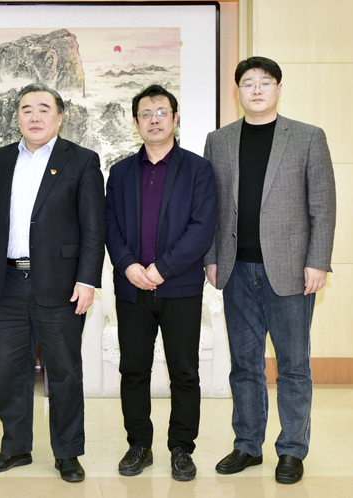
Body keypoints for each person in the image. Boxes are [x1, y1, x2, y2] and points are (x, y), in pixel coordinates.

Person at [203, 56, 336, 484]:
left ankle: (292, 449)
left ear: (278, 88)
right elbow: (210, 206)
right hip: (236, 270)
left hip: (291, 270)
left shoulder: (307, 137)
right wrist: (211, 257)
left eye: (265, 82)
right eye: (248, 83)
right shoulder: (219, 140)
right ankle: (247, 445)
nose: (256, 89)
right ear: (237, 91)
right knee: (244, 364)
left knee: (293, 365)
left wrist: (318, 261)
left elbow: (323, 206)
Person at [0, 83, 105, 483]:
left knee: (64, 371)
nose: (35, 116)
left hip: (61, 284)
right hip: (8, 282)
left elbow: (94, 228)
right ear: (17, 116)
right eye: (26, 109)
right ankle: (15, 447)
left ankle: (67, 452)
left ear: (60, 117)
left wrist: (87, 280)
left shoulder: (81, 160)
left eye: (44, 109)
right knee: (10, 371)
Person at [105, 85, 217, 481]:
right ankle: (139, 445)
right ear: (135, 122)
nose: (154, 119)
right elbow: (110, 225)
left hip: (180, 288)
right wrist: (128, 265)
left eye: (161, 112)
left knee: (184, 372)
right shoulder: (120, 172)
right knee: (133, 370)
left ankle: (182, 448)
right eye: (146, 114)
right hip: (132, 288)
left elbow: (202, 228)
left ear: (174, 118)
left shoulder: (198, 169)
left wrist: (162, 269)